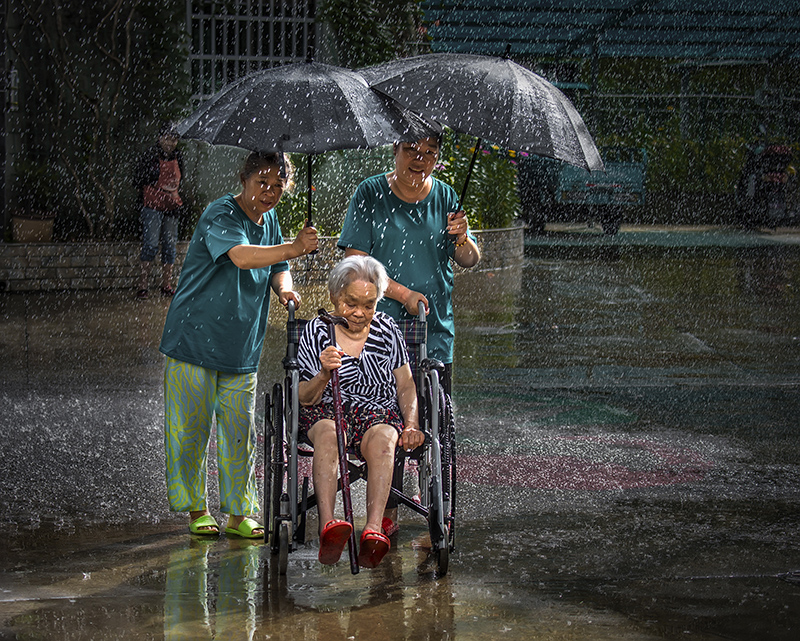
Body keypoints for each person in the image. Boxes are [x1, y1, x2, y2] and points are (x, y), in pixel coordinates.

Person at [159, 151, 318, 539]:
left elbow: (277, 267)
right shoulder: (221, 213)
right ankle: (197, 507)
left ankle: (239, 512)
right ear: (243, 179)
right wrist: (293, 248)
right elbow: (243, 257)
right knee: (190, 431)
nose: (269, 193)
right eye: (262, 183)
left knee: (239, 432)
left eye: (278, 186)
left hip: (241, 346)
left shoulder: (272, 220)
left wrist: (286, 289)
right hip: (194, 340)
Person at [297, 255, 425, 568]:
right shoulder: (317, 332)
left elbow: (406, 385)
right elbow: (303, 397)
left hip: (376, 412)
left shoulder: (387, 329)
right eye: (350, 303)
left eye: (368, 305)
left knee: (384, 438)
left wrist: (411, 424)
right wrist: (324, 374)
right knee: (329, 433)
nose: (359, 313)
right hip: (326, 411)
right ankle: (328, 525)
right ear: (334, 297)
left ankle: (372, 529)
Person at [338, 133, 481, 398]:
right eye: (411, 150)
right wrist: (404, 295)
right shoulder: (370, 193)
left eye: (430, 152)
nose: (420, 159)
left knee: (435, 421)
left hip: (434, 331)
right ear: (395, 149)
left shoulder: (445, 196)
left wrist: (462, 238)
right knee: (382, 424)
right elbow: (355, 263)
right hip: (378, 332)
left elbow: (469, 260)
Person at [134, 122, 186, 299]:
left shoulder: (178, 156)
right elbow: (138, 180)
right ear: (160, 137)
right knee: (150, 244)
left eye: (174, 139)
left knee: (170, 246)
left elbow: (181, 179)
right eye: (168, 138)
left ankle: (166, 285)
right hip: (152, 206)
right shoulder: (149, 156)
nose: (171, 143)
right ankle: (143, 286)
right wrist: (158, 187)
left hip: (172, 207)